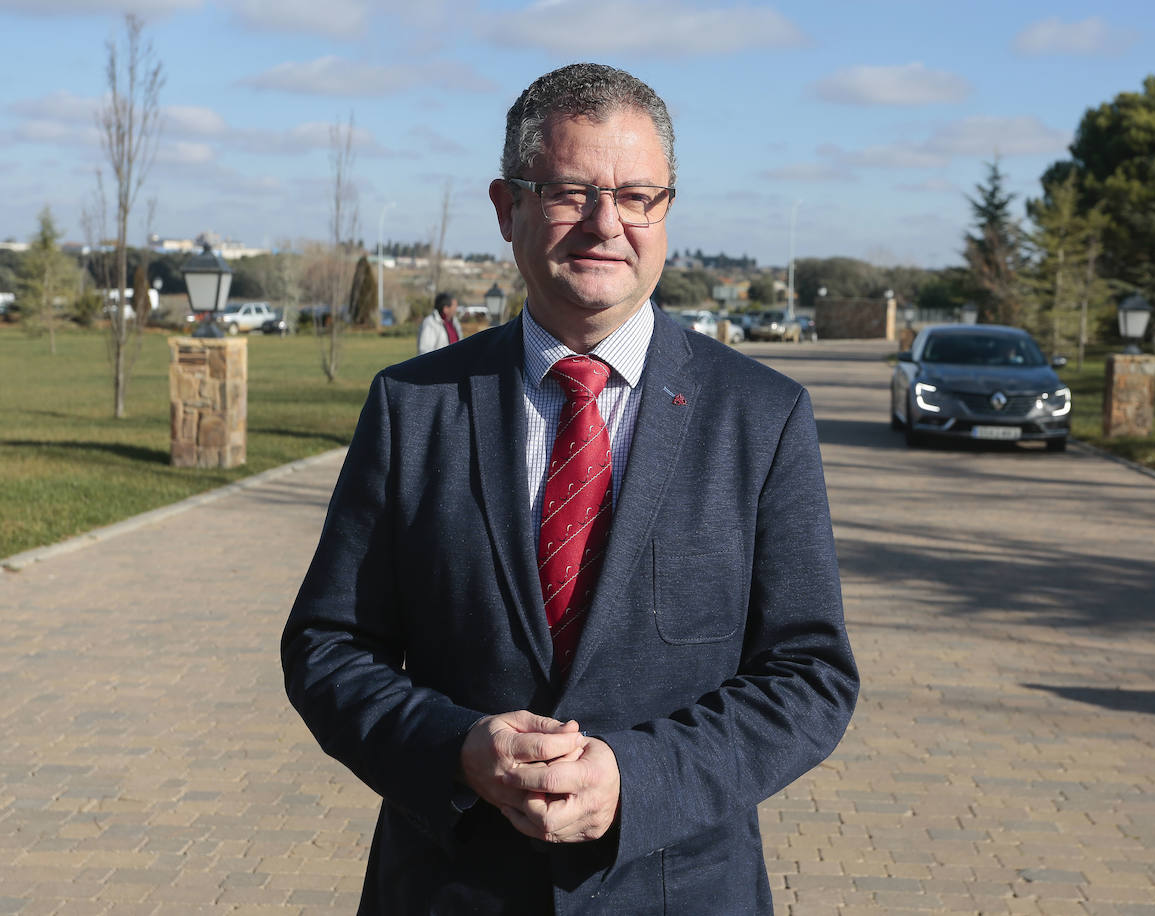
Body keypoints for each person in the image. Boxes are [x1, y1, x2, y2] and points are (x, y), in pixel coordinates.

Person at [282, 62, 858, 914]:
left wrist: (639, 777)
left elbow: (810, 675)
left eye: (636, 197)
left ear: (666, 210)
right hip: (451, 890)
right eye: (569, 192)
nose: (605, 223)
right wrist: (456, 749)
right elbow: (328, 647)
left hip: (679, 891)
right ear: (506, 208)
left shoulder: (762, 416)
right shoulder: (414, 407)